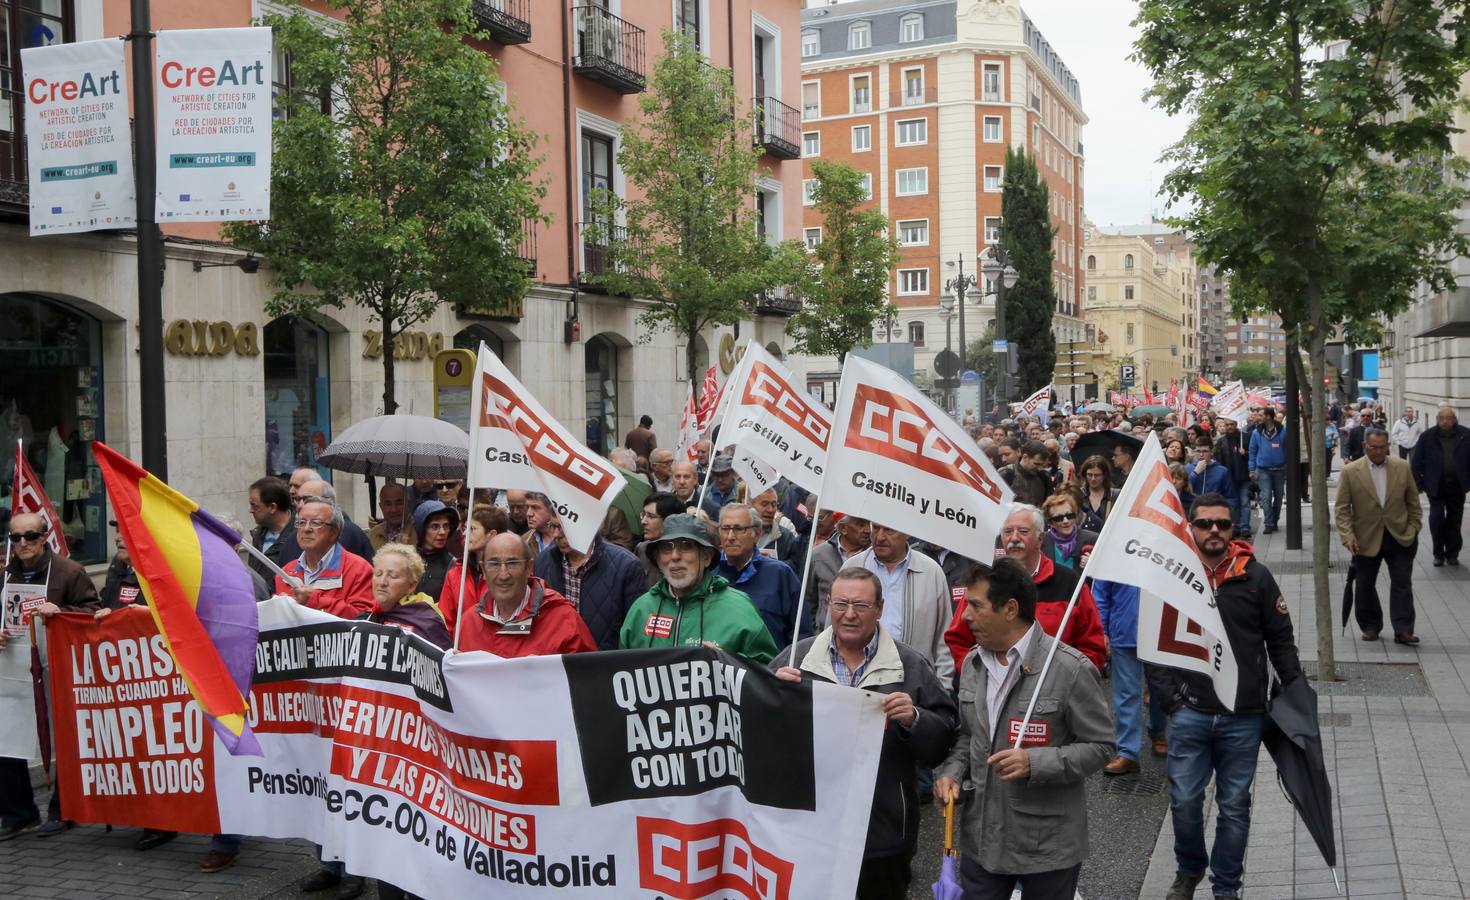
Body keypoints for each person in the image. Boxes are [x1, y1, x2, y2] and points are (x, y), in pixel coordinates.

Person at [771, 569, 957, 899]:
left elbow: (941, 743)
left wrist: (915, 719)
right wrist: (774, 696)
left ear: (880, 608)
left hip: (882, 835)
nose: (850, 614)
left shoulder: (909, 665)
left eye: (861, 604)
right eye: (840, 603)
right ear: (828, 604)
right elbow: (761, 737)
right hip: (809, 830)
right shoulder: (796, 659)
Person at [934, 558, 1113, 899]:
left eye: (975, 605)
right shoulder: (972, 664)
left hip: (1047, 849)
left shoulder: (1069, 669)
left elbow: (1101, 747)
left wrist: (1035, 762)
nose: (965, 616)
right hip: (981, 842)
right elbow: (969, 736)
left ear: (1010, 609)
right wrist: (952, 774)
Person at [1156, 493, 1302, 900]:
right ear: (1192, 528)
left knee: (1234, 806)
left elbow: (1281, 641)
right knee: (1184, 801)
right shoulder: (1174, 575)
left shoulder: (1256, 577)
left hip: (1244, 714)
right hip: (1191, 712)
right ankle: (1189, 869)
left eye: (1222, 523)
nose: (1214, 530)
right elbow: (1152, 642)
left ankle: (1226, 888)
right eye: (1205, 524)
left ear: (1232, 527)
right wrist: (1172, 700)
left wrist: (1297, 694)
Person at [0, 513, 103, 839]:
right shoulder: (5, 572)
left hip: (57, 669)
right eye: (15, 538)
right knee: (6, 741)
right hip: (14, 672)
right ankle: (19, 813)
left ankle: (63, 810)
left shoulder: (69, 571)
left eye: (30, 536)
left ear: (44, 537)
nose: (22, 544)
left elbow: (94, 612)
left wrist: (62, 614)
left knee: (63, 740)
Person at [943, 505, 1108, 675]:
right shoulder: (983, 580)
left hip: (1053, 695)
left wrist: (1069, 685)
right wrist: (977, 679)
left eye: (1023, 531)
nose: (1014, 538)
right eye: (1007, 532)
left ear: (1040, 538)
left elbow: (1092, 645)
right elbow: (958, 639)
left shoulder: (1068, 582)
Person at [618, 514, 778, 664]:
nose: (674, 556)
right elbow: (621, 670)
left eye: (686, 546)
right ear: (658, 560)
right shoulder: (642, 609)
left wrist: (727, 663)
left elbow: (765, 674)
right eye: (667, 548)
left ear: (707, 557)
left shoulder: (739, 609)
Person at [1335, 428, 1422, 644]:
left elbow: (1413, 502)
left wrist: (1413, 528)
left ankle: (1403, 629)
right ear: (1365, 446)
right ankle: (1370, 625)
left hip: (1399, 535)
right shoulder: (1350, 471)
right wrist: (1348, 536)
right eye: (1374, 447)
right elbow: (1342, 509)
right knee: (1364, 584)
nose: (1379, 451)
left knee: (1402, 583)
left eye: (1383, 447)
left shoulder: (1402, 467)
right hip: (1365, 537)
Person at [454, 533, 596, 657]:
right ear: (483, 570)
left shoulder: (563, 619)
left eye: (512, 563)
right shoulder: (468, 622)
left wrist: (546, 674)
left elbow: (588, 679)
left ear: (529, 568)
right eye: (494, 564)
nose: (503, 574)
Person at [850, 523, 955, 684]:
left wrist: (942, 689)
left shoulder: (931, 572)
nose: (880, 537)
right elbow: (832, 629)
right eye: (876, 528)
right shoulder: (853, 567)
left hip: (914, 685)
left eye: (889, 530)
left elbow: (944, 639)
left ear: (907, 533)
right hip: (858, 681)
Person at [1092, 579, 1169, 773]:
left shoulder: (1169, 547)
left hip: (1160, 633)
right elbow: (1100, 591)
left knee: (1161, 691)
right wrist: (1102, 628)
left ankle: (1158, 731)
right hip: (1124, 631)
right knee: (1126, 694)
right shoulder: (1115, 550)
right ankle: (1128, 752)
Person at [534, 520, 645, 651]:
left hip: (607, 665)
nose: (556, 534)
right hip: (559, 664)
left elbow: (636, 632)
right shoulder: (543, 561)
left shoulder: (627, 566)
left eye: (563, 527)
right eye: (553, 526)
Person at [715, 503, 808, 649]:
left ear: (757, 533)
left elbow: (801, 634)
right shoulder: (709, 574)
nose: (730, 536)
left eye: (739, 529)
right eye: (725, 529)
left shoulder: (780, 574)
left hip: (769, 669)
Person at [273, 499, 376, 618]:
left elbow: (364, 620)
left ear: (334, 532)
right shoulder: (285, 572)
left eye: (316, 523)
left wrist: (314, 600)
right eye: (301, 522)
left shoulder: (359, 570)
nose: (306, 529)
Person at [1411, 404, 1470, 567]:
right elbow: (1416, 462)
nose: (1445, 422)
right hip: (1435, 485)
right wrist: (1419, 483)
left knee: (1454, 520)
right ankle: (1438, 553)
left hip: (1457, 486)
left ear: (1454, 419)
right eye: (1442, 418)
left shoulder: (1466, 435)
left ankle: (1452, 553)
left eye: (1448, 418)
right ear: (1437, 419)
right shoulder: (1427, 436)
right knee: (1436, 519)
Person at [440, 505, 508, 641]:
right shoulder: (455, 574)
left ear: (492, 535)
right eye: (465, 529)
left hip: (498, 653)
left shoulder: (509, 575)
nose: (464, 534)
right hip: (461, 654)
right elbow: (445, 622)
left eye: (472, 529)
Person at [365, 544, 451, 649]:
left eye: (393, 576)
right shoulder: (365, 618)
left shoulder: (427, 622)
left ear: (412, 585)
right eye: (378, 574)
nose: (382, 582)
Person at [806, 513, 871, 623]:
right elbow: (808, 600)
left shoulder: (874, 556)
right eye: (860, 525)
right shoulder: (818, 555)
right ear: (843, 528)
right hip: (825, 633)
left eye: (868, 524)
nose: (867, 530)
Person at [296, 479, 375, 559]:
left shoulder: (351, 535)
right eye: (298, 499)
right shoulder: (290, 565)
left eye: (308, 499)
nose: (300, 505)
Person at [247, 476, 296, 584]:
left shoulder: (299, 538)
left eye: (254, 506)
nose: (250, 510)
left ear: (272, 507)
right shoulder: (257, 535)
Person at [1247, 407, 1287, 535]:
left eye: (1260, 415)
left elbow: (1289, 449)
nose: (1258, 417)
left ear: (1269, 416)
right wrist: (1251, 469)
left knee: (1279, 496)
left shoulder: (1282, 431)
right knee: (1266, 497)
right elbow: (1252, 452)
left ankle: (1275, 520)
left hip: (1280, 470)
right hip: (1263, 470)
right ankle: (1269, 523)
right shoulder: (1256, 433)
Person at [411, 500, 458, 602]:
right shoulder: (406, 558)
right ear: (422, 529)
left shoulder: (452, 565)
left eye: (446, 526)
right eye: (435, 526)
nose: (442, 532)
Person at [1213, 418, 1252, 538]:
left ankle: (1245, 526)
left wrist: (1245, 453)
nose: (1229, 427)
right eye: (1227, 425)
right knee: (1234, 504)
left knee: (1244, 502)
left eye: (1231, 424)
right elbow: (1218, 460)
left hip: (1244, 476)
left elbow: (1254, 454)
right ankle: (1236, 526)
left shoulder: (1245, 437)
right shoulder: (1221, 441)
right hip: (1229, 478)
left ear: (1236, 424)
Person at [749, 487, 803, 573]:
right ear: (751, 505)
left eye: (774, 505)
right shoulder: (737, 533)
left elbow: (796, 567)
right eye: (765, 504)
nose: (770, 510)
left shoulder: (786, 537)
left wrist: (774, 564)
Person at [636, 492, 684, 588]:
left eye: (651, 516)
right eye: (643, 515)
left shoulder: (687, 553)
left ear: (669, 520)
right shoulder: (642, 549)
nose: (643, 521)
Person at [1041, 492, 1097, 572]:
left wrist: (1094, 566)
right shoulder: (1041, 542)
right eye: (1059, 518)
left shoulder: (1093, 539)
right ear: (1051, 523)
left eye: (1070, 515)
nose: (1066, 521)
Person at [1001, 440, 1053, 507]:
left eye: (1042, 465)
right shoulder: (1007, 474)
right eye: (1036, 464)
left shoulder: (1044, 477)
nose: (1039, 469)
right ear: (1025, 457)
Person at [367, 482, 416, 551]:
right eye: (388, 504)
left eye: (399, 503)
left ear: (408, 504)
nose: (394, 510)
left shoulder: (420, 531)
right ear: (381, 507)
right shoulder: (372, 535)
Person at [1076, 455, 1117, 533]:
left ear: (1104, 475)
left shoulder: (1115, 495)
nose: (1093, 479)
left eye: (1097, 475)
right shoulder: (1078, 495)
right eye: (1090, 475)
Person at [698, 455, 740, 520]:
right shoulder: (703, 493)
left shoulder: (742, 493)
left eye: (724, 475)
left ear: (733, 473)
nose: (720, 480)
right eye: (716, 475)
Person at [522, 492, 557, 557]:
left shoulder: (568, 541)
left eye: (535, 508)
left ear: (551, 509)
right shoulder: (524, 540)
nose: (528, 514)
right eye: (527, 507)